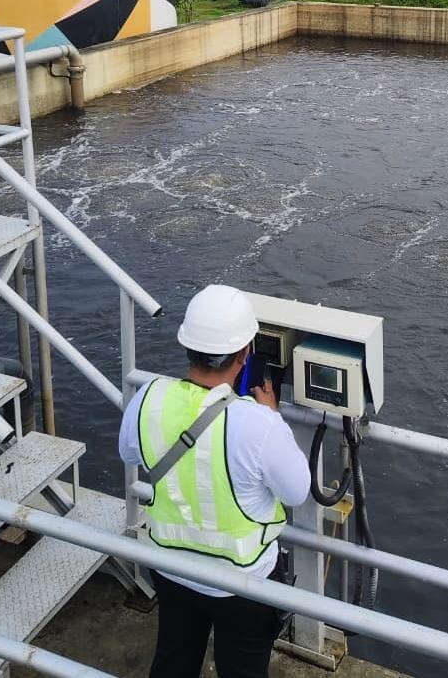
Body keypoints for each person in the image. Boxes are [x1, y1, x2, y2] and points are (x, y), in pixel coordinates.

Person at [119, 284, 310, 678]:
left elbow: (130, 454)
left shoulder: (147, 398)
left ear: (187, 347)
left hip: (170, 568)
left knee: (174, 662)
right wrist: (272, 415)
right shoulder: (257, 424)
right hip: (244, 582)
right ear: (245, 353)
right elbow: (297, 491)